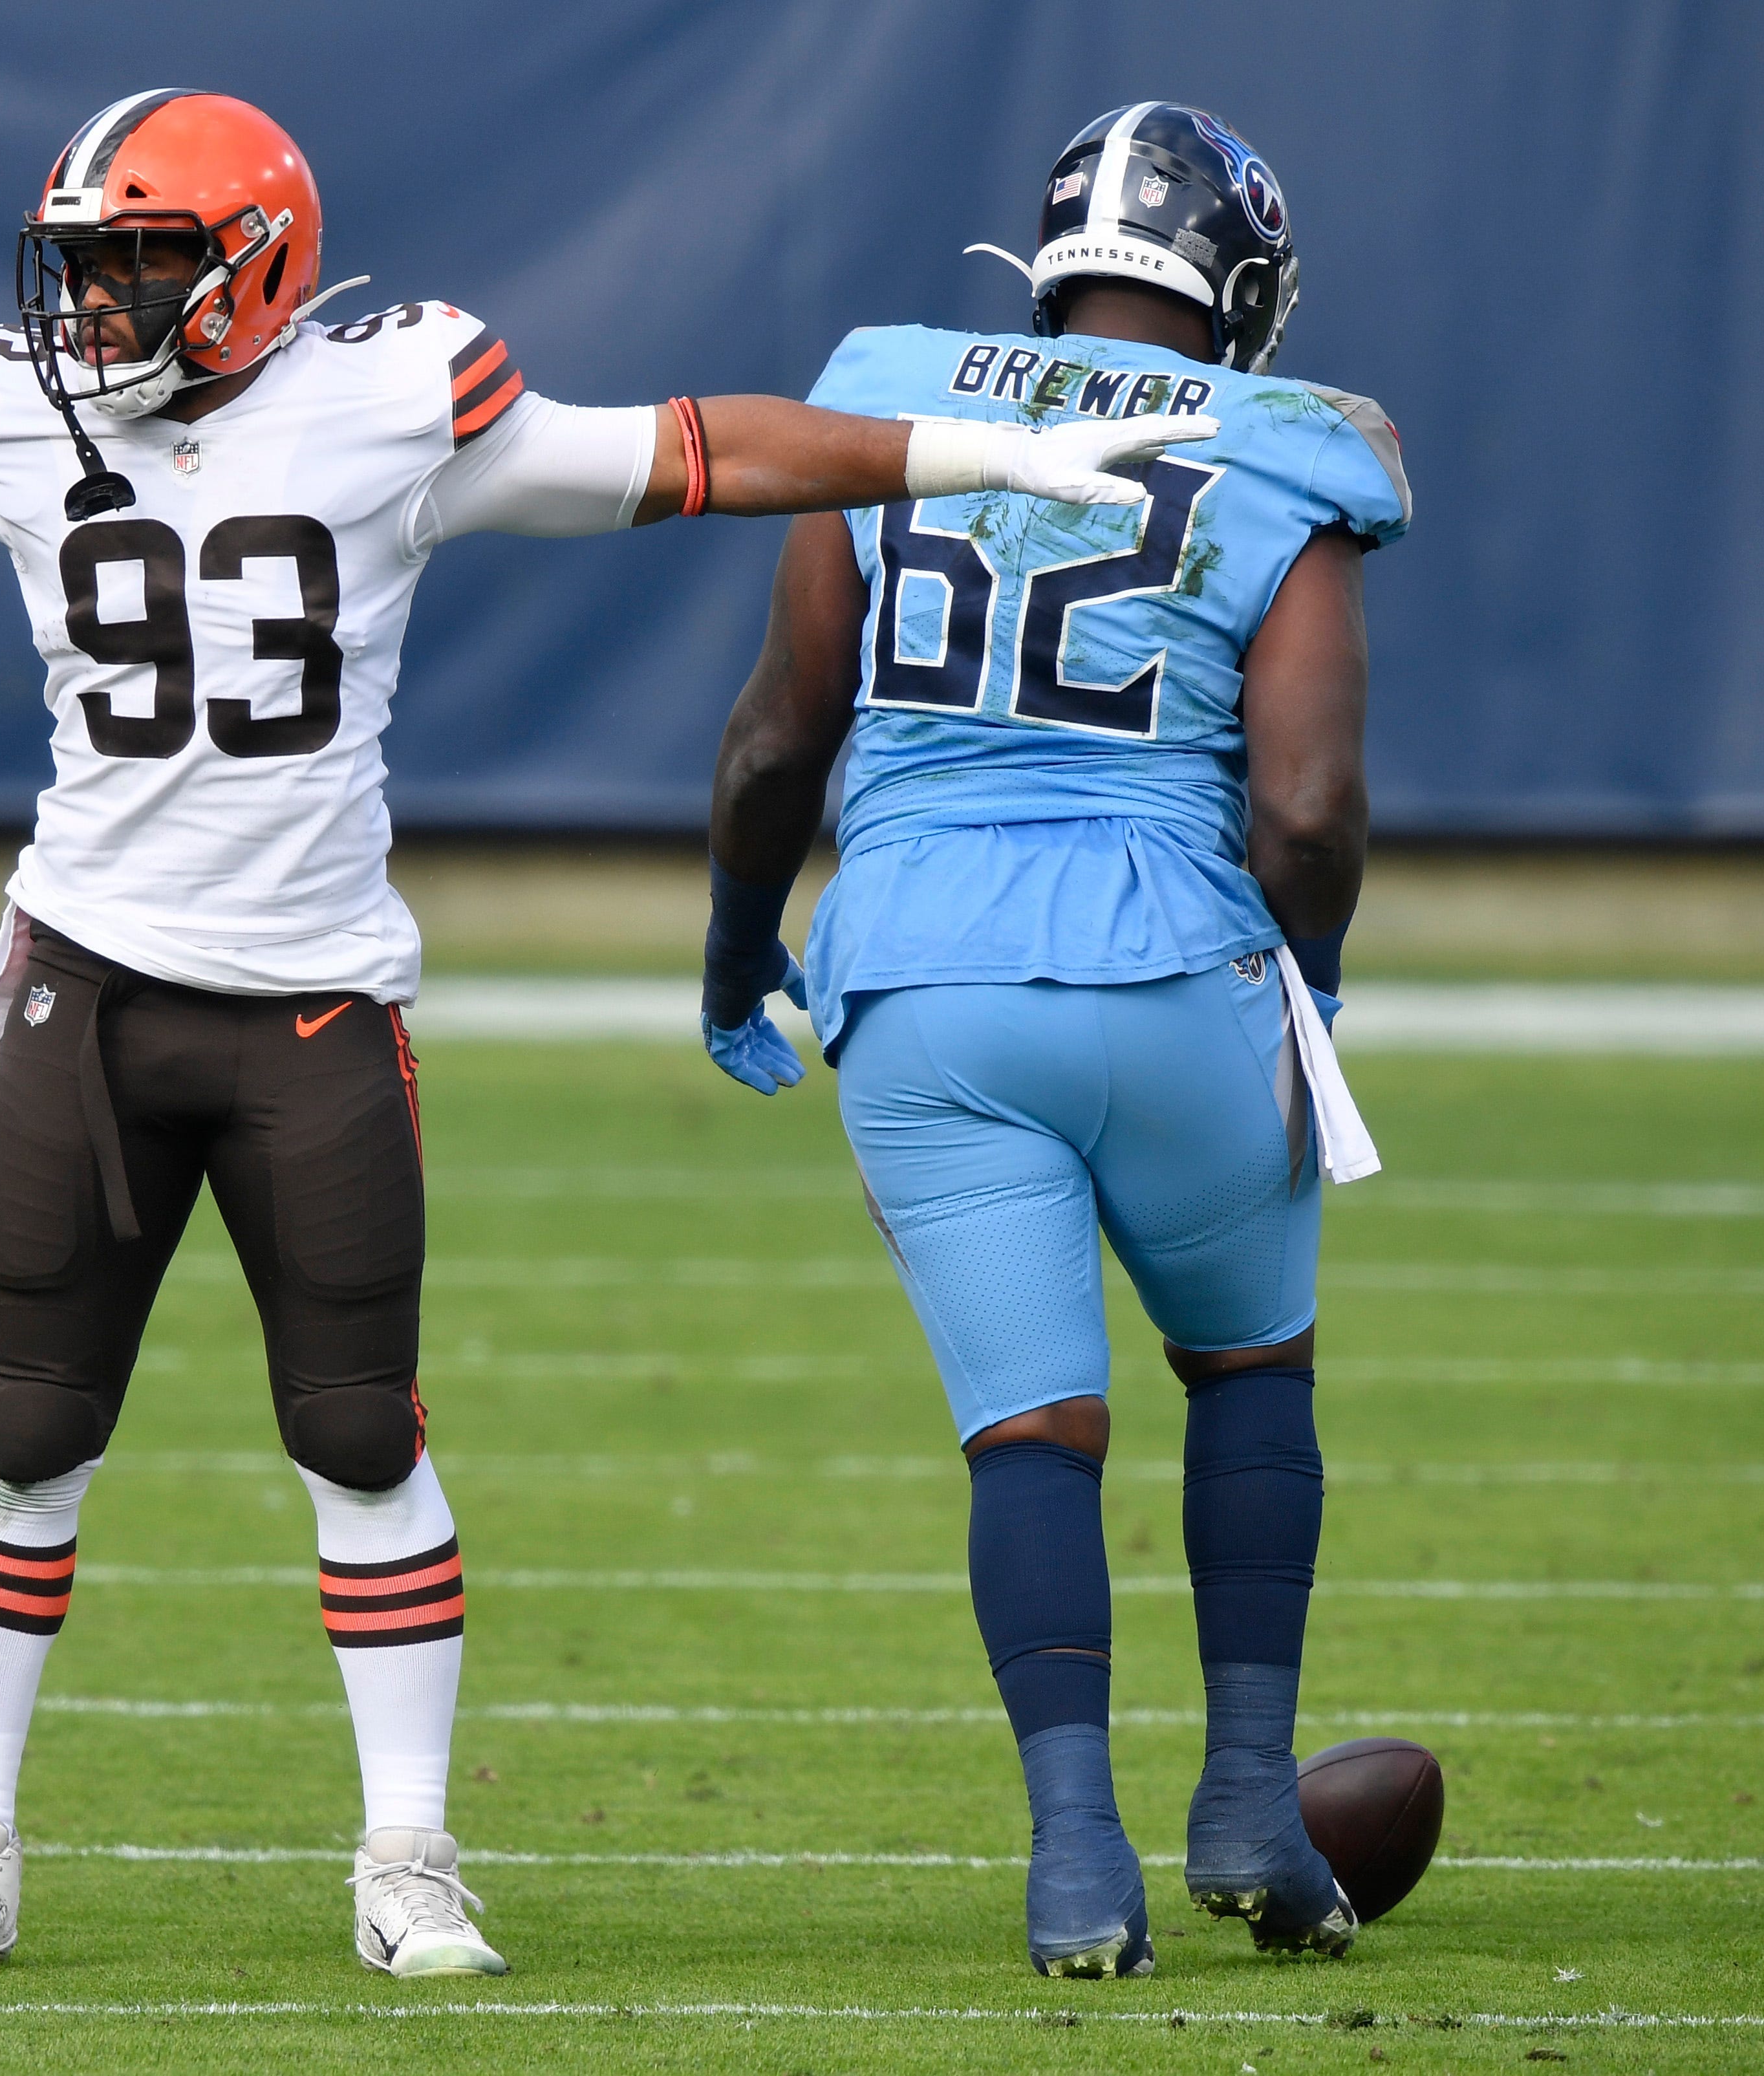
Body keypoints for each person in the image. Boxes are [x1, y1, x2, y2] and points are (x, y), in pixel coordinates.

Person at [0, 88, 1210, 1980]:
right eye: (78, 264)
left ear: (252, 267)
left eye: (132, 263)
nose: (84, 306)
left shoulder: (397, 402)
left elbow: (691, 450)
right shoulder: (6, 414)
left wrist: (967, 450)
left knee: (360, 1433)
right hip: (83, 996)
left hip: (314, 1005)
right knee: (25, 1431)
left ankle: (409, 1853)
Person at [699, 102, 1408, 1980]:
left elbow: (784, 733)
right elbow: (1310, 814)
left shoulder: (886, 392)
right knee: (1249, 1376)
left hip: (918, 974)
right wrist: (1306, 981)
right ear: (1239, 290)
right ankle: (1250, 1806)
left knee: (1031, 1431)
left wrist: (725, 954)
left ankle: (1075, 1866)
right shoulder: (1294, 451)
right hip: (1176, 963)